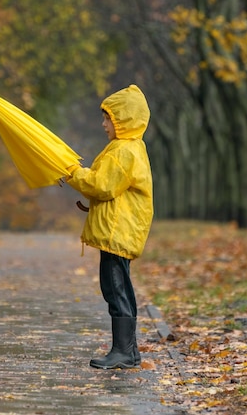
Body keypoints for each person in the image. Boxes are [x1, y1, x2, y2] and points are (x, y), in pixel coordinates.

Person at [65, 85, 153, 369]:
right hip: (121, 230)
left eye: (108, 119)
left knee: (115, 288)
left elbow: (102, 185)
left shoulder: (124, 151)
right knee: (120, 287)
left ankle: (123, 351)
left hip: (118, 232)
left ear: (124, 121)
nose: (104, 125)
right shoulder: (130, 147)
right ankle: (129, 350)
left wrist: (73, 173)